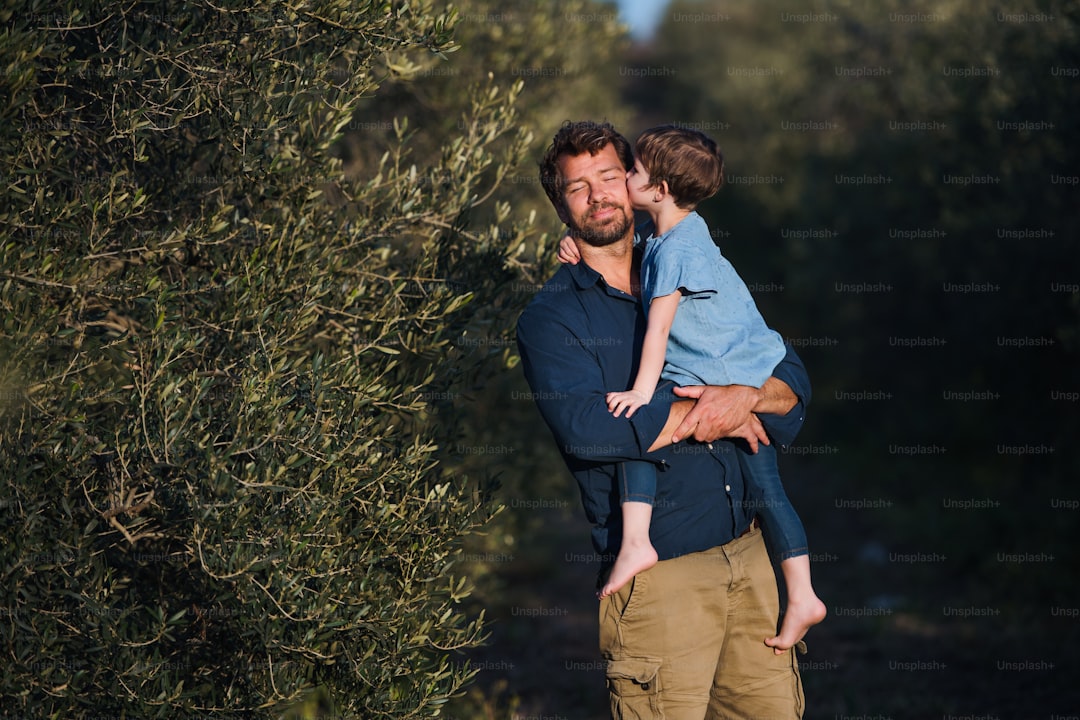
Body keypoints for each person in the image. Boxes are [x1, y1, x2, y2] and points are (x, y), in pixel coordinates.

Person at [517, 120, 812, 718]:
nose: (599, 195)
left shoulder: (686, 259)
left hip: (752, 561)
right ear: (561, 207)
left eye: (608, 176)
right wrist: (711, 409)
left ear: (636, 182)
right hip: (660, 582)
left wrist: (747, 398)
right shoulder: (552, 318)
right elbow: (589, 431)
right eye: (579, 187)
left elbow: (788, 375)